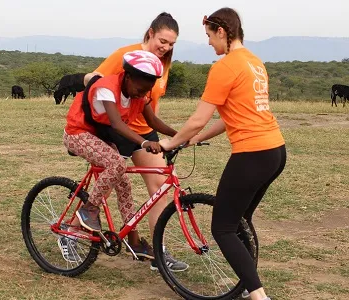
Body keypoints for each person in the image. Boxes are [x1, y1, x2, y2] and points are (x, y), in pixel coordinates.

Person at [159, 7, 286, 300]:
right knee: (239, 220)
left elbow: (198, 118)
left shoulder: (225, 66)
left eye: (209, 36)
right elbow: (230, 117)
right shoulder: (254, 62)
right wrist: (195, 140)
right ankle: (247, 284)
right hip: (275, 151)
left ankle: (258, 296)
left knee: (223, 228)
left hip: (252, 153)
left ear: (222, 32)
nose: (208, 43)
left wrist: (171, 142)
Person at [81, 12, 188, 272]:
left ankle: (158, 252)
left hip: (144, 132)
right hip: (116, 131)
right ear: (150, 33)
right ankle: (72, 233)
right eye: (163, 41)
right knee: (104, 189)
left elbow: (150, 104)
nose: (166, 47)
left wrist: (175, 135)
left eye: (172, 44)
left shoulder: (164, 64)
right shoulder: (125, 55)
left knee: (160, 188)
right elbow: (91, 79)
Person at [60, 50, 177, 263]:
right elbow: (117, 124)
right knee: (116, 164)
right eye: (140, 89)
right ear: (128, 77)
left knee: (124, 184)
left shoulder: (140, 92)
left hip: (100, 137)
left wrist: (179, 135)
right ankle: (88, 212)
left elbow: (153, 122)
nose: (142, 95)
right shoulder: (107, 88)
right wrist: (143, 142)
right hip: (78, 133)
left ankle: (133, 239)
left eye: (147, 90)